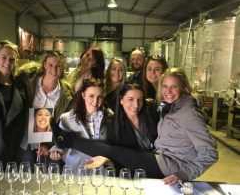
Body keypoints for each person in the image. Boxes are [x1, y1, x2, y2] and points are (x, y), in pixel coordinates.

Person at [51, 67, 218, 184]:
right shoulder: (171, 109)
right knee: (115, 152)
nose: (168, 91)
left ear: (183, 88)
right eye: (165, 86)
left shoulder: (188, 112)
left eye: (174, 87)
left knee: (117, 152)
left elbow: (210, 152)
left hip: (172, 165)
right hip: (161, 159)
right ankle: (65, 139)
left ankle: (67, 139)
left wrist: (185, 174)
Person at [17, 51, 73, 165]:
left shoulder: (67, 94)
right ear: (44, 65)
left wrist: (48, 145)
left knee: (49, 178)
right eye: (50, 65)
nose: (54, 69)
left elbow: (62, 124)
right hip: (26, 140)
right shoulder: (28, 83)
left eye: (58, 66)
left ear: (62, 68)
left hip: (50, 144)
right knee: (25, 173)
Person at [50, 78, 111, 170]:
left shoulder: (109, 119)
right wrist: (56, 152)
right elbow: (59, 144)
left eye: (100, 97)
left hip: (100, 173)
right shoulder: (66, 118)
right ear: (83, 95)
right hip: (75, 172)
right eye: (91, 96)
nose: (95, 101)